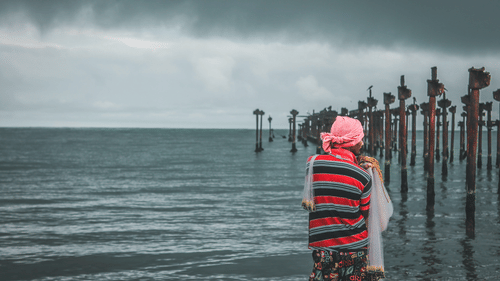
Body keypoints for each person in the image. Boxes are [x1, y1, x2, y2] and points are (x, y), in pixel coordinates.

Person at [302, 116, 374, 281]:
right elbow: (365, 213)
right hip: (356, 249)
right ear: (350, 142)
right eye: (359, 139)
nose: (362, 144)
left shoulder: (312, 163)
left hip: (323, 249)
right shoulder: (363, 176)